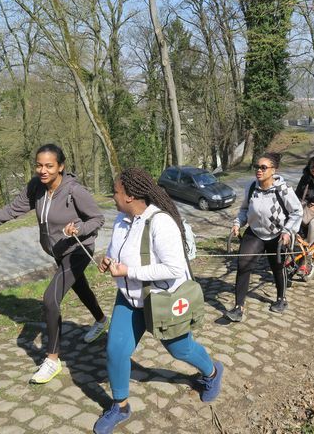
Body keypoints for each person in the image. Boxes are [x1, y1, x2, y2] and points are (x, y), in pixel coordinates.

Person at [93, 167, 223, 434]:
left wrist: (129, 272)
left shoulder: (161, 223)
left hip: (162, 301)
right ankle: (121, 406)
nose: (113, 197)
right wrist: (108, 261)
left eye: (116, 192)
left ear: (130, 196)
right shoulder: (120, 219)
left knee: (180, 350)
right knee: (116, 351)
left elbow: (174, 268)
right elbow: (115, 250)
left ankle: (211, 373)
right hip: (129, 300)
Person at [0, 144, 108, 384]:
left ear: (60, 167)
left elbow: (97, 218)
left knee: (50, 299)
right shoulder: (36, 188)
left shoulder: (74, 191)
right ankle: (102, 320)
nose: (43, 170)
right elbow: (12, 210)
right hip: (58, 251)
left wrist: (79, 228)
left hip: (78, 250)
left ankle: (52, 360)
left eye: (49, 166)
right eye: (39, 165)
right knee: (79, 286)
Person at [226, 152, 302, 321]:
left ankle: (281, 299)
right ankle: (238, 307)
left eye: (263, 167)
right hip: (255, 233)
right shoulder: (252, 187)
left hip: (277, 234)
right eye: (257, 167)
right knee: (243, 264)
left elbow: (297, 212)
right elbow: (244, 209)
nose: (259, 170)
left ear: (273, 170)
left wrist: (288, 231)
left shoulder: (283, 190)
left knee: (277, 266)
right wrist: (238, 223)